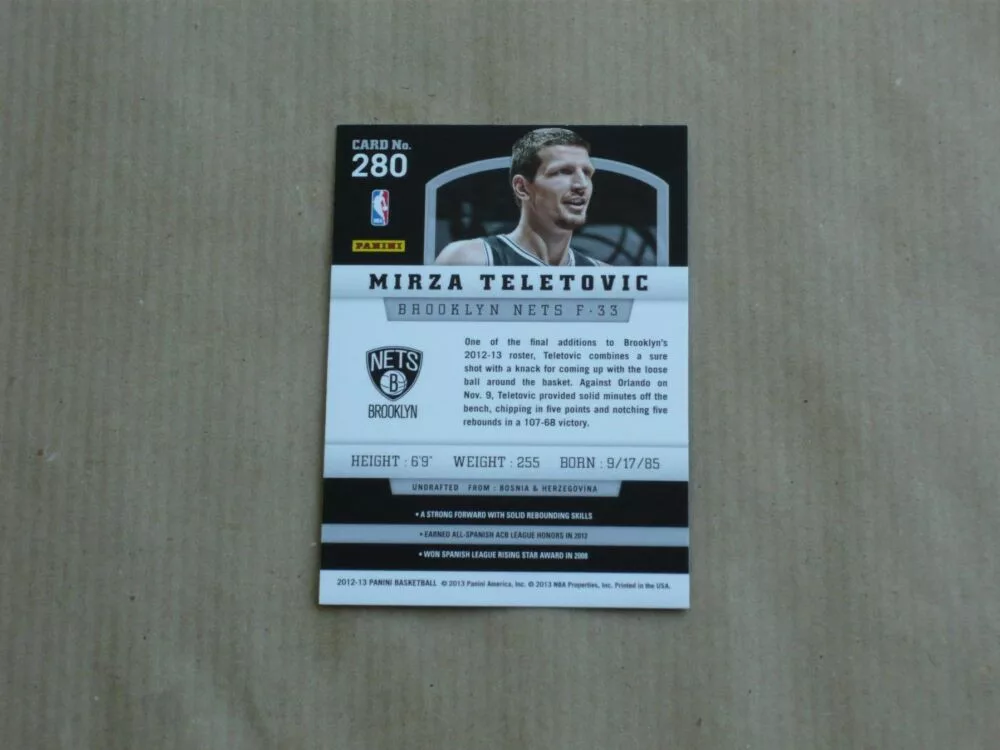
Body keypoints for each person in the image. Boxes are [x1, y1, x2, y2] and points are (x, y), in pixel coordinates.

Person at [434, 128, 606, 267]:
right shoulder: (470, 259)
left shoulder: (602, 275)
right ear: (522, 187)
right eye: (563, 172)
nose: (581, 184)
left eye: (587, 173)